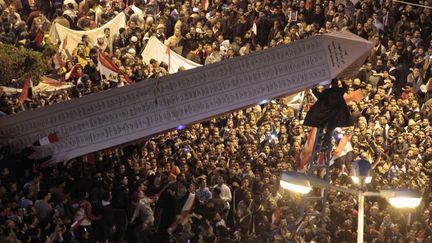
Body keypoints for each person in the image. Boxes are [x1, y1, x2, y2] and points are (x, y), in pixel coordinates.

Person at [303, 79, 354, 149]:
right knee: (330, 129)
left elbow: (319, 96)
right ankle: (325, 145)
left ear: (332, 84)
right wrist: (342, 80)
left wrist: (313, 89)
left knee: (321, 127)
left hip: (326, 114)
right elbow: (346, 87)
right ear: (337, 84)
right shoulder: (340, 91)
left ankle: (318, 143)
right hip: (335, 115)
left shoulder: (327, 91)